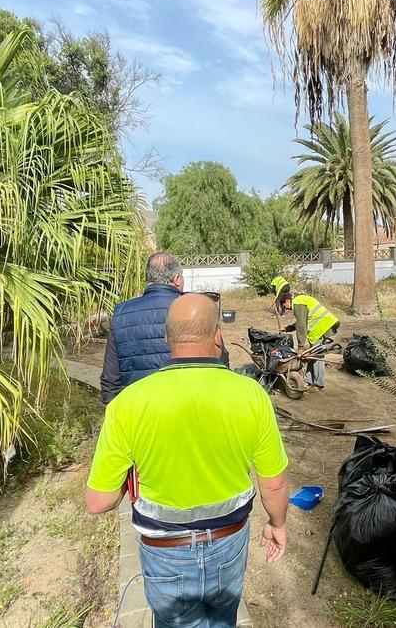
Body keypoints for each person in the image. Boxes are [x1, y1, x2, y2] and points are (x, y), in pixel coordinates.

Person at [86, 294, 290, 627]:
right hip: (229, 543)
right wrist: (277, 524)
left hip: (165, 552)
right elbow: (275, 482)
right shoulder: (252, 395)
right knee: (223, 620)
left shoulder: (127, 404)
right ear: (217, 336)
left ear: (168, 340)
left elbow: (98, 502)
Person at [100, 252, 227, 404]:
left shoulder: (121, 313)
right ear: (177, 279)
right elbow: (221, 364)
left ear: (148, 279)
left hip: (138, 412)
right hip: (188, 407)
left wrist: (117, 415)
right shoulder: (195, 309)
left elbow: (110, 379)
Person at [277, 289, 340, 389]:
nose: (286, 309)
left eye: (284, 306)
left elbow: (301, 325)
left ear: (287, 301)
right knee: (312, 355)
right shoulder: (300, 301)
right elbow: (301, 322)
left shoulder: (298, 303)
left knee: (317, 356)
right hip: (323, 325)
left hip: (322, 327)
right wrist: (287, 328)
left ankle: (318, 384)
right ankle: (309, 380)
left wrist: (301, 347)